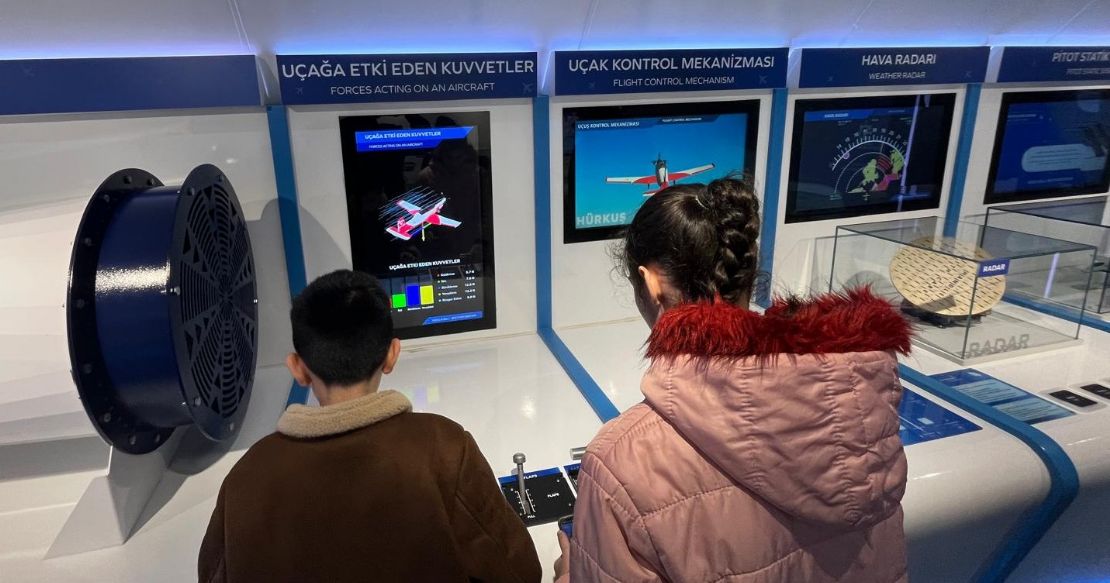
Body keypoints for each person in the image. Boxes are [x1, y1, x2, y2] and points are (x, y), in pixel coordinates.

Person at [554, 177, 912, 583]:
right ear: (746, 270)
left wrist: (572, 574)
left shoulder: (620, 463)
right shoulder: (864, 401)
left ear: (651, 284)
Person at [199, 269, 541, 583]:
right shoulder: (446, 447)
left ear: (298, 368)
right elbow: (519, 571)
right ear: (392, 355)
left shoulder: (246, 476)